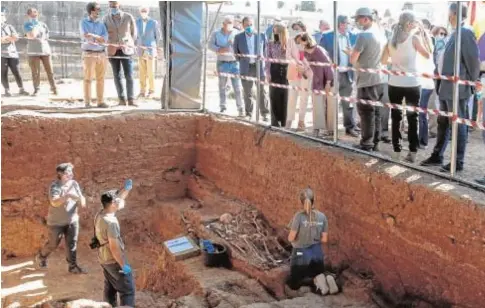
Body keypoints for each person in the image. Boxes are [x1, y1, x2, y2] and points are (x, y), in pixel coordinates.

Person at [420, 3, 480, 172]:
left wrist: (470, 83)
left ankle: (457, 161)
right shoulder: (454, 33)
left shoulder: (465, 33)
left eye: (449, 14)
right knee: (444, 123)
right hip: (446, 87)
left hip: (457, 89)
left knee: (458, 125)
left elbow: (473, 62)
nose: (448, 16)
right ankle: (437, 155)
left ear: (454, 14)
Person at [381, 11, 431, 163]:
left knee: (395, 118)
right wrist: (423, 35)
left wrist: (396, 61)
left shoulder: (391, 39)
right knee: (412, 118)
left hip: (395, 82)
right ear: (409, 24)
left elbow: (383, 61)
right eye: (414, 22)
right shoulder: (414, 38)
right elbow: (428, 55)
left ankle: (396, 151)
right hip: (412, 83)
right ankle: (413, 152)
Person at [35, 163, 87, 274]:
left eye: (71, 172)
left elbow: (80, 196)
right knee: (53, 244)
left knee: (71, 244)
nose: (71, 174)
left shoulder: (74, 184)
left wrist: (82, 200)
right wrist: (67, 196)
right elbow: (54, 202)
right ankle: (42, 256)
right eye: (68, 172)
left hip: (72, 220)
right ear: (60, 173)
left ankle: (72, 266)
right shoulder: (55, 186)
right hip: (56, 223)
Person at [348, 7, 387, 152]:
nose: (357, 22)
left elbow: (353, 59)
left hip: (366, 80)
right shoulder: (380, 33)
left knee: (366, 113)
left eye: (358, 19)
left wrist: (351, 53)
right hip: (379, 78)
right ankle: (374, 142)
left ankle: (366, 143)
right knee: (375, 112)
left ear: (365, 19)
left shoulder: (363, 36)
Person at [95, 181, 135, 307]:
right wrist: (123, 265)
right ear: (113, 204)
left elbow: (119, 198)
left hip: (103, 258)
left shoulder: (101, 214)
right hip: (113, 261)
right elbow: (114, 248)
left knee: (110, 286)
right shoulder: (111, 223)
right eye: (117, 200)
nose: (120, 201)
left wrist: (126, 189)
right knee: (127, 291)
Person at [320, 15, 359, 137]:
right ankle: (330, 128)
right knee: (331, 103)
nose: (349, 25)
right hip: (333, 75)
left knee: (348, 103)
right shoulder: (327, 36)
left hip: (347, 74)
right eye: (347, 23)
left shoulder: (353, 36)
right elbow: (321, 56)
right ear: (341, 24)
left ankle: (350, 127)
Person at [286, 187, 330, 294]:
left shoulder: (299, 216)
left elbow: (291, 237)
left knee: (295, 282)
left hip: (301, 252)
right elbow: (324, 239)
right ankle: (323, 281)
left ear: (301, 202)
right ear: (314, 199)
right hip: (316, 252)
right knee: (316, 273)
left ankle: (305, 287)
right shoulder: (322, 216)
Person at [297, 33, 334, 137]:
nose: (299, 44)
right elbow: (308, 68)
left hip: (328, 79)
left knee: (330, 105)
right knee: (317, 104)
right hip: (317, 80)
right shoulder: (305, 53)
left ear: (307, 41)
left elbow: (329, 67)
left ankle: (331, 129)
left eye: (301, 41)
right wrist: (303, 71)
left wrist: (328, 82)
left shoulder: (319, 51)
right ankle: (317, 128)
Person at [234, 16, 270, 121]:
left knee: (262, 91)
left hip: (259, 67)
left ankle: (265, 113)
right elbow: (236, 53)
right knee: (247, 92)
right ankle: (249, 113)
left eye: (250, 24)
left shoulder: (261, 35)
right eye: (246, 25)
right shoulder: (238, 37)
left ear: (253, 24)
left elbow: (265, 50)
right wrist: (242, 60)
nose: (249, 27)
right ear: (243, 26)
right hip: (246, 67)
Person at [209, 15, 244, 116]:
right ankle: (223, 106)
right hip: (222, 63)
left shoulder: (237, 33)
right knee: (222, 86)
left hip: (234, 63)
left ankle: (240, 108)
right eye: (227, 23)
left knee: (237, 87)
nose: (229, 25)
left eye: (231, 23)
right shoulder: (216, 33)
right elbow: (210, 45)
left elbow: (241, 46)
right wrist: (219, 49)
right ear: (223, 24)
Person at [104, 1, 137, 106]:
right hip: (112, 50)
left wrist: (129, 43)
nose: (113, 8)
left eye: (115, 6)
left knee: (129, 75)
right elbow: (104, 33)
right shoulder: (105, 18)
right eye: (111, 6)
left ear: (119, 6)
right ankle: (121, 99)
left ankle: (131, 99)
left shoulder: (128, 17)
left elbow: (134, 33)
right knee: (117, 75)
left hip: (126, 49)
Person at [80, 2, 109, 108]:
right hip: (89, 54)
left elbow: (104, 39)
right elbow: (86, 36)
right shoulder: (83, 22)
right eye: (97, 9)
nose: (99, 11)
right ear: (91, 11)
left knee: (100, 78)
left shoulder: (101, 24)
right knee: (88, 78)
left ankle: (100, 101)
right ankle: (87, 102)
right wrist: (98, 37)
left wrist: (93, 35)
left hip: (101, 54)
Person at [24, 7, 57, 96]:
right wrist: (34, 25)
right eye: (31, 13)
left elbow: (46, 36)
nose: (34, 14)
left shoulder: (43, 24)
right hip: (33, 51)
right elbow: (31, 36)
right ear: (28, 15)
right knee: (35, 72)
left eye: (35, 12)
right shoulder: (27, 24)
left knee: (50, 70)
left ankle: (54, 88)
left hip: (45, 51)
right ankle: (37, 89)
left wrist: (38, 26)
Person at [286, 21, 312, 130]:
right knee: (292, 97)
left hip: (306, 73)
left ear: (303, 28)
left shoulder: (309, 39)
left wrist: (304, 67)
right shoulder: (290, 41)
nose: (296, 31)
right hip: (294, 72)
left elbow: (311, 56)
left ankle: (301, 121)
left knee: (304, 98)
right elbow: (288, 56)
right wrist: (297, 65)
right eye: (294, 29)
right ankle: (289, 121)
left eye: (298, 28)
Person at [417, 21, 437, 149]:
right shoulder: (429, 43)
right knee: (422, 113)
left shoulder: (420, 47)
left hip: (422, 84)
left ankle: (422, 141)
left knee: (421, 113)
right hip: (427, 84)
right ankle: (422, 140)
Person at [1, 7, 29, 97]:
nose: (1, 17)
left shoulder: (9, 27)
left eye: (2, 15)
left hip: (12, 53)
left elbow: (16, 37)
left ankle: (21, 89)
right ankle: (7, 90)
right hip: (1, 54)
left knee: (16, 71)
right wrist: (9, 38)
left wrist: (5, 39)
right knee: (3, 72)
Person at [266, 24, 289, 127]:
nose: (274, 34)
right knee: (273, 95)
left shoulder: (288, 43)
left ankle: (284, 121)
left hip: (286, 70)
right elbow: (267, 59)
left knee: (285, 96)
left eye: (276, 32)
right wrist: (267, 73)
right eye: (273, 32)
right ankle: (274, 122)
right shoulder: (270, 44)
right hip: (274, 69)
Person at [136, 6, 160, 99]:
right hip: (140, 50)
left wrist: (153, 46)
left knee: (151, 72)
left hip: (150, 50)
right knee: (141, 72)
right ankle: (142, 91)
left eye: (145, 11)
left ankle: (151, 91)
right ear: (139, 12)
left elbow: (158, 36)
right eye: (142, 11)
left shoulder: (154, 22)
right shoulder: (136, 22)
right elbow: (135, 35)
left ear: (148, 12)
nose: (143, 12)